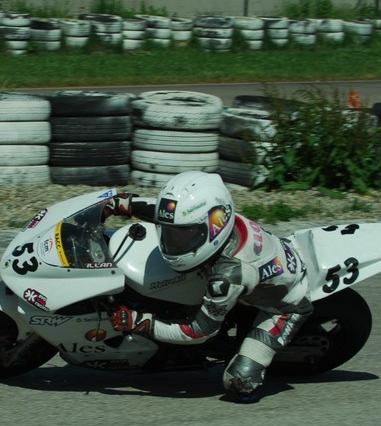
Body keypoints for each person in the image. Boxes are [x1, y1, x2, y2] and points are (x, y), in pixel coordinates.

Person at [102, 170, 313, 403]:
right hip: (259, 275)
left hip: (284, 307)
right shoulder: (212, 218)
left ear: (214, 225)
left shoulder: (228, 275)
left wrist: (139, 322)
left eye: (184, 235)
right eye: (169, 233)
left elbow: (199, 331)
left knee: (239, 382)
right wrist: (121, 204)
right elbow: (169, 213)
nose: (173, 242)